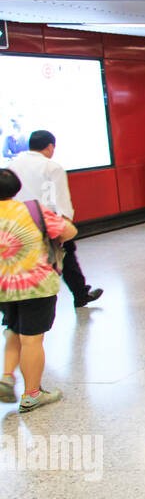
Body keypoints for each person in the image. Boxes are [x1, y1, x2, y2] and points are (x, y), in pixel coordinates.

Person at [0, 167, 77, 411]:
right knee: (32, 339)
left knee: (13, 329)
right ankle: (32, 394)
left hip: (3, 287)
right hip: (36, 286)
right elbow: (68, 231)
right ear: (17, 188)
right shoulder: (33, 211)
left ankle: (7, 376)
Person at [9, 130, 101, 307]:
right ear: (50, 146)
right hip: (46, 221)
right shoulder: (52, 167)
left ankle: (19, 302)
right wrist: (66, 223)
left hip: (18, 221)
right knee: (66, 257)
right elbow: (61, 199)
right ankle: (80, 294)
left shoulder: (12, 165)